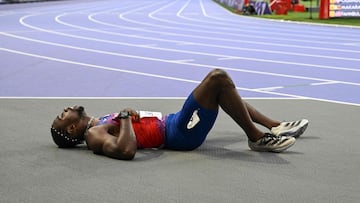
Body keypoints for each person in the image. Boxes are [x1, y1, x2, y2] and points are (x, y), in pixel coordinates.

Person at [51, 69, 308, 160]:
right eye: (62, 116)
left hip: (173, 121)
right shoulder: (94, 133)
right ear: (72, 129)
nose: (64, 110)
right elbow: (126, 151)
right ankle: (257, 137)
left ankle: (276, 125)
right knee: (217, 79)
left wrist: (125, 118)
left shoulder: (99, 122)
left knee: (220, 90)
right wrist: (127, 118)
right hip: (179, 133)